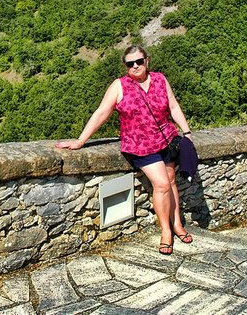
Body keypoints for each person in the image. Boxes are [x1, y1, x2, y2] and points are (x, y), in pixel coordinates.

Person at [56, 45, 193, 255]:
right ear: (125, 66)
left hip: (167, 138)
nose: (136, 66)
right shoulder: (119, 86)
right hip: (140, 145)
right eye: (130, 64)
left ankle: (177, 224)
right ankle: (166, 231)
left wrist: (187, 131)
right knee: (162, 184)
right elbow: (101, 113)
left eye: (139, 61)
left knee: (172, 180)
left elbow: (173, 106)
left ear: (147, 61)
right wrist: (80, 141)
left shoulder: (160, 79)